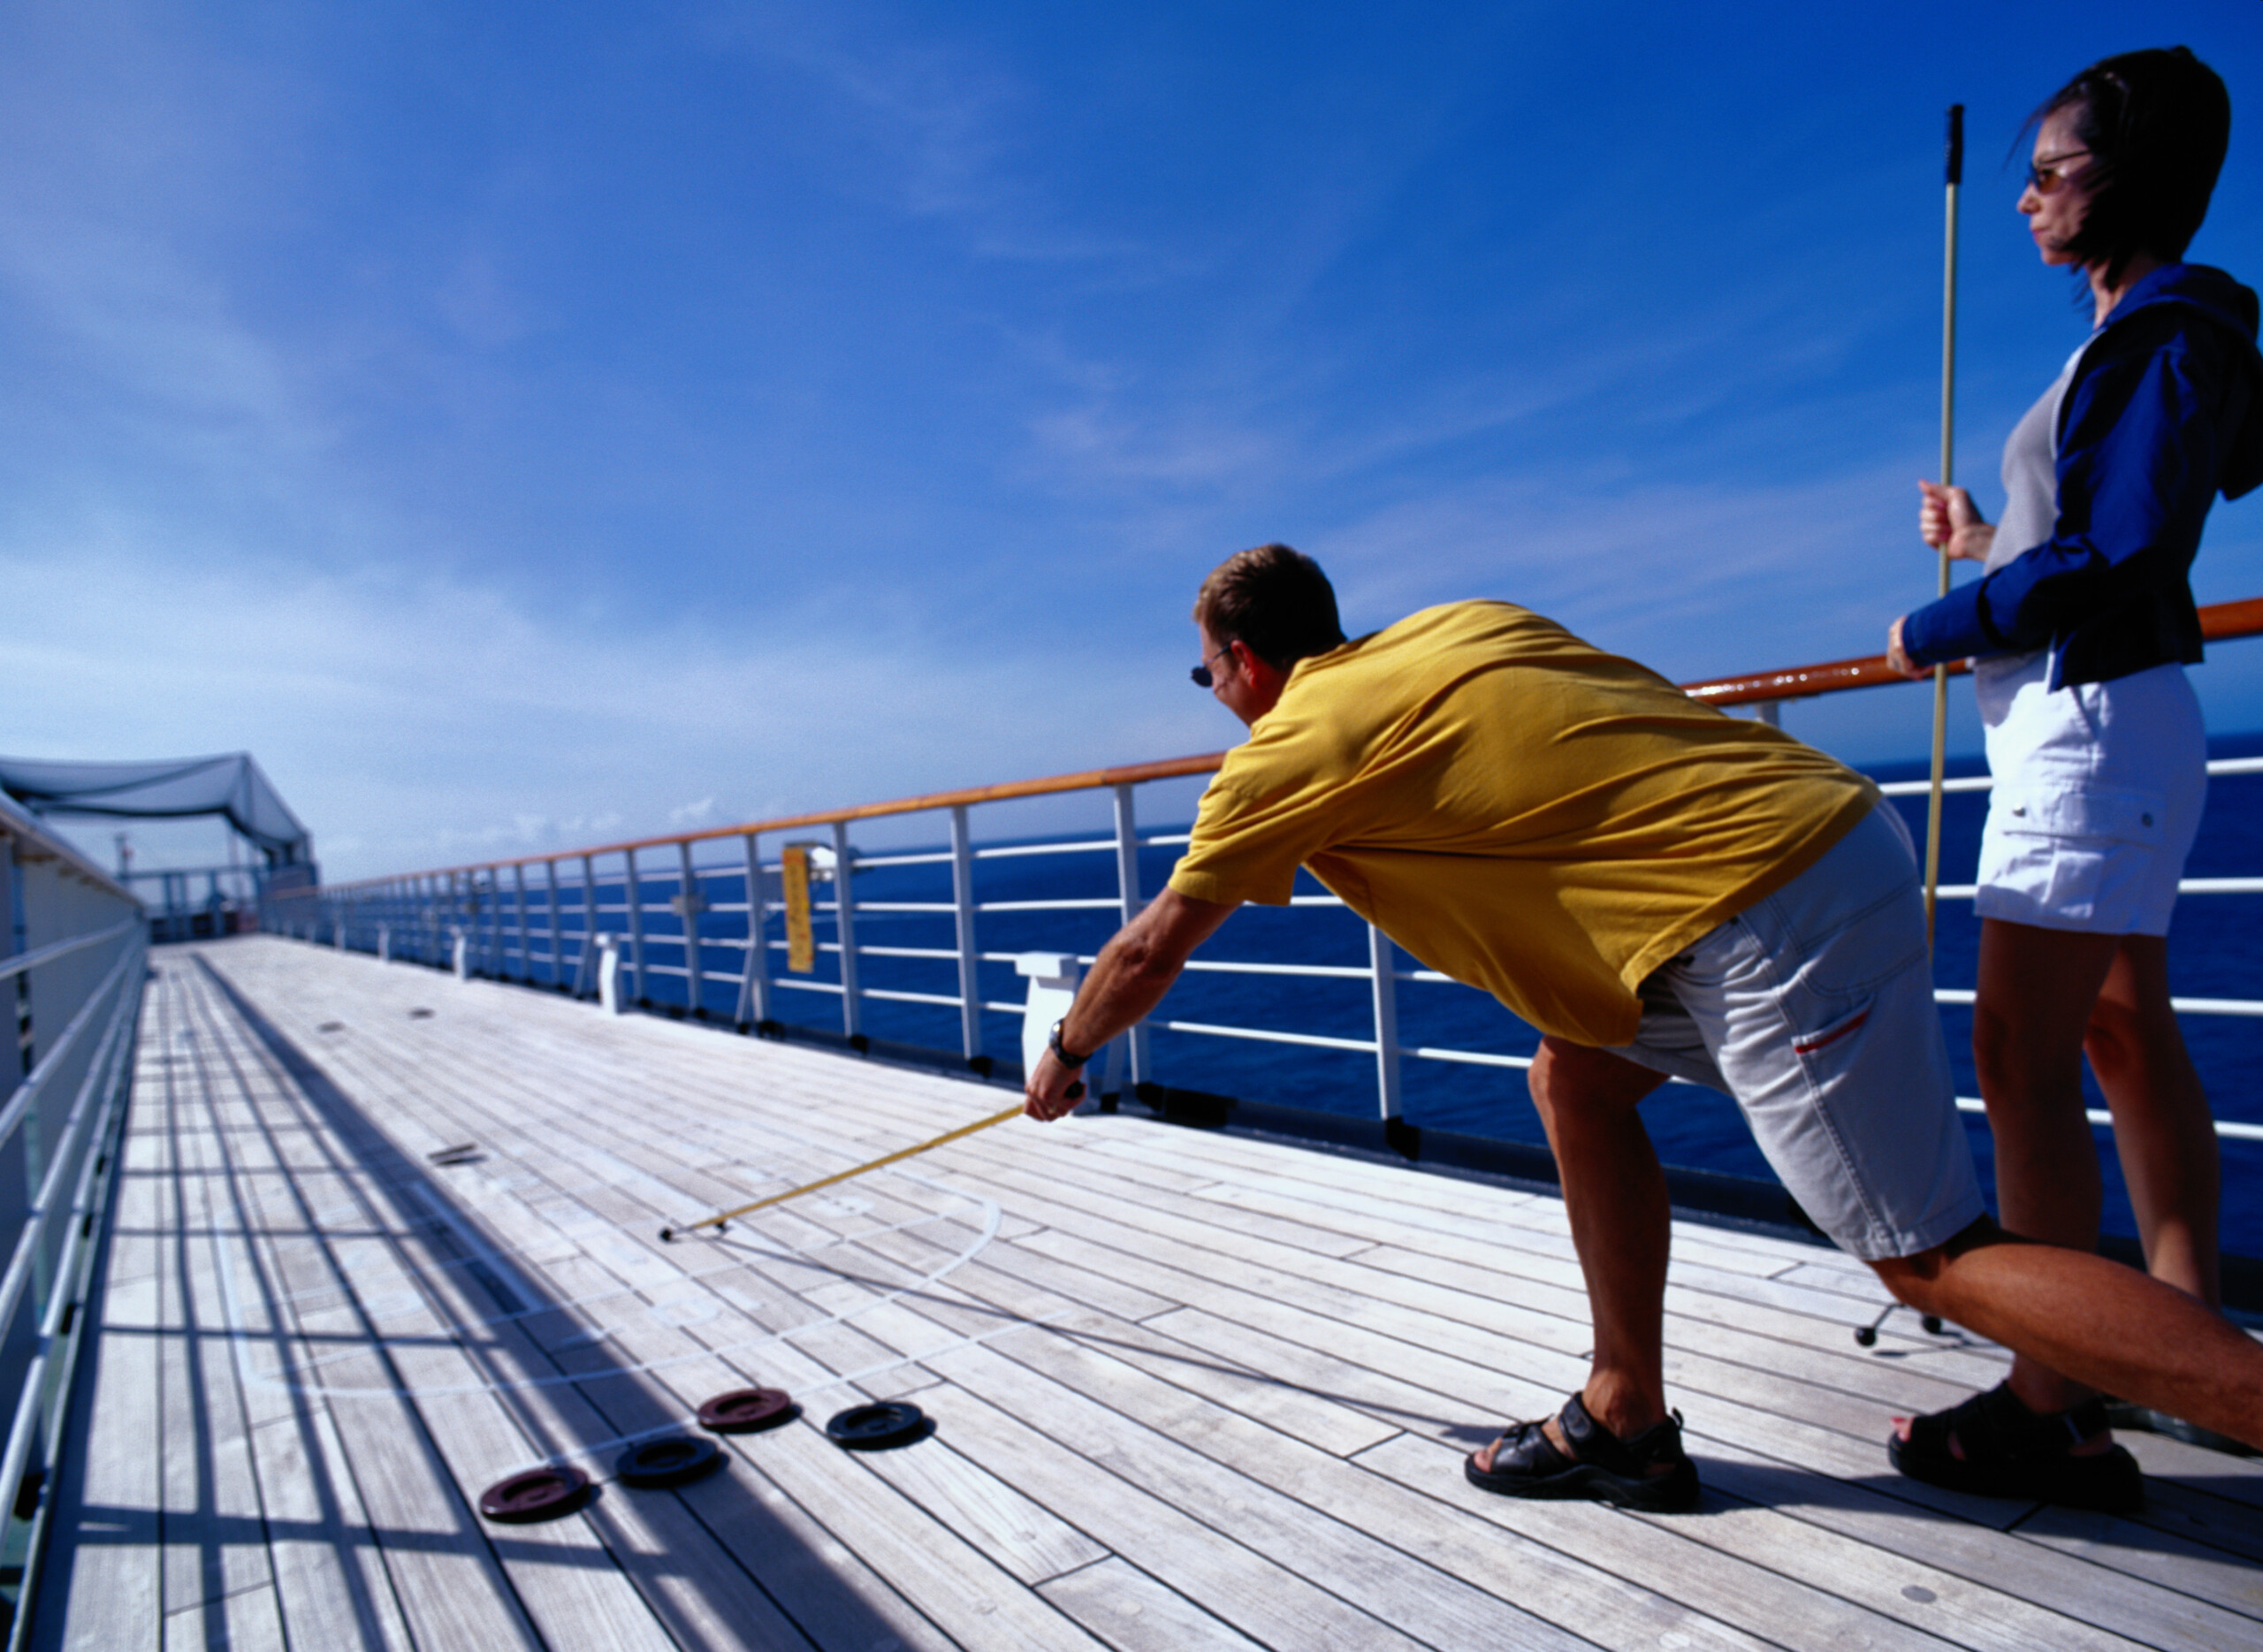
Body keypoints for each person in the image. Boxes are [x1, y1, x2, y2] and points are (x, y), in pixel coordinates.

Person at [1025, 543, 2263, 1513]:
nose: (1218, 698)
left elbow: (1147, 950)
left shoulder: (1283, 750)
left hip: (1762, 906)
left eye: (1207, 677)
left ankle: (2140, 1408)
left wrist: (1068, 1055)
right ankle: (1627, 1412)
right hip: (1825, 830)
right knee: (1574, 1079)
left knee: (1925, 1256)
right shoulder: (1462, 624)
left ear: (1241, 662)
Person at [1886, 47, 2263, 1493]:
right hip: (2105, 720)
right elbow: (2088, 535)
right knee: (2122, 1033)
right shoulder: (2140, 328)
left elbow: (2123, 557)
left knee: (2017, 1056)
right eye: (2030, 170)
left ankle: (2054, 1398)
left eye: (2057, 168)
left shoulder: (2168, 329)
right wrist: (1990, 541)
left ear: (2138, 176)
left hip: (2086, 728)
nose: (2032, 194)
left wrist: (1938, 619)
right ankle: (2187, 1342)